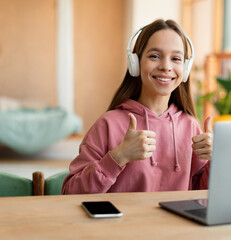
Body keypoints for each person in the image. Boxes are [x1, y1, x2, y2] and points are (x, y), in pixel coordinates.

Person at [62, 19, 212, 194]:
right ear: (135, 63)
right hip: (123, 222)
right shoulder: (108, 124)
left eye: (176, 58)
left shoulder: (191, 126)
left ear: (185, 69)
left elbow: (199, 196)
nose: (166, 66)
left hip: (173, 222)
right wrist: (118, 157)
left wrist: (216, 161)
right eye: (154, 56)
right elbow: (70, 193)